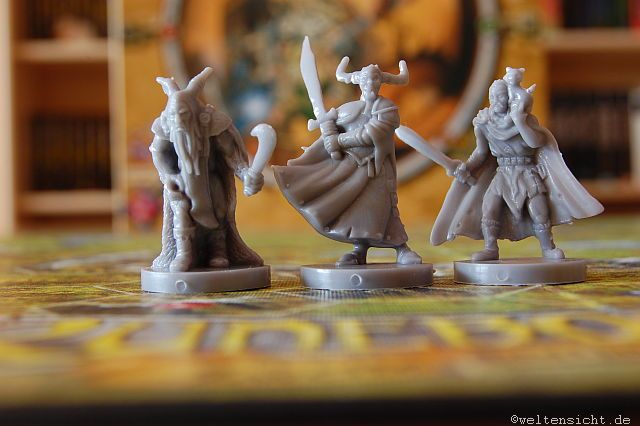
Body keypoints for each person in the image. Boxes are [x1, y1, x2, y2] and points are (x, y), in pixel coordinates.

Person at [432, 74, 603, 261]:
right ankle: (490, 248)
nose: (497, 101)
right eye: (493, 96)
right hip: (503, 173)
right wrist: (467, 167)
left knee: (539, 210)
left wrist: (519, 121)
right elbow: (481, 153)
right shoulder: (484, 124)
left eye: (501, 96)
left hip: (526, 170)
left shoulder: (525, 121)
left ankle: (548, 247)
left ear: (509, 98)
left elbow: (535, 142)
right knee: (489, 208)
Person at [274, 57, 421, 266]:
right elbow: (331, 133)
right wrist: (327, 131)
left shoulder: (387, 109)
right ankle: (359, 250)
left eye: (374, 79)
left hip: (376, 168)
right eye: (366, 79)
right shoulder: (348, 109)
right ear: (359, 82)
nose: (370, 84)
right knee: (356, 210)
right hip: (350, 168)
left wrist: (339, 141)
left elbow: (372, 133)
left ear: (381, 82)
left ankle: (402, 248)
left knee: (383, 207)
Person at [150, 67, 264, 272]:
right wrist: (169, 176)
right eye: (174, 115)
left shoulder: (211, 123)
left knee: (218, 211)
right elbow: (158, 152)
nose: (179, 120)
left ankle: (218, 252)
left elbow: (232, 155)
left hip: (210, 181)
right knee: (181, 210)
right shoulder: (167, 125)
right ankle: (184, 253)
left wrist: (245, 173)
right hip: (181, 183)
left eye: (183, 114)